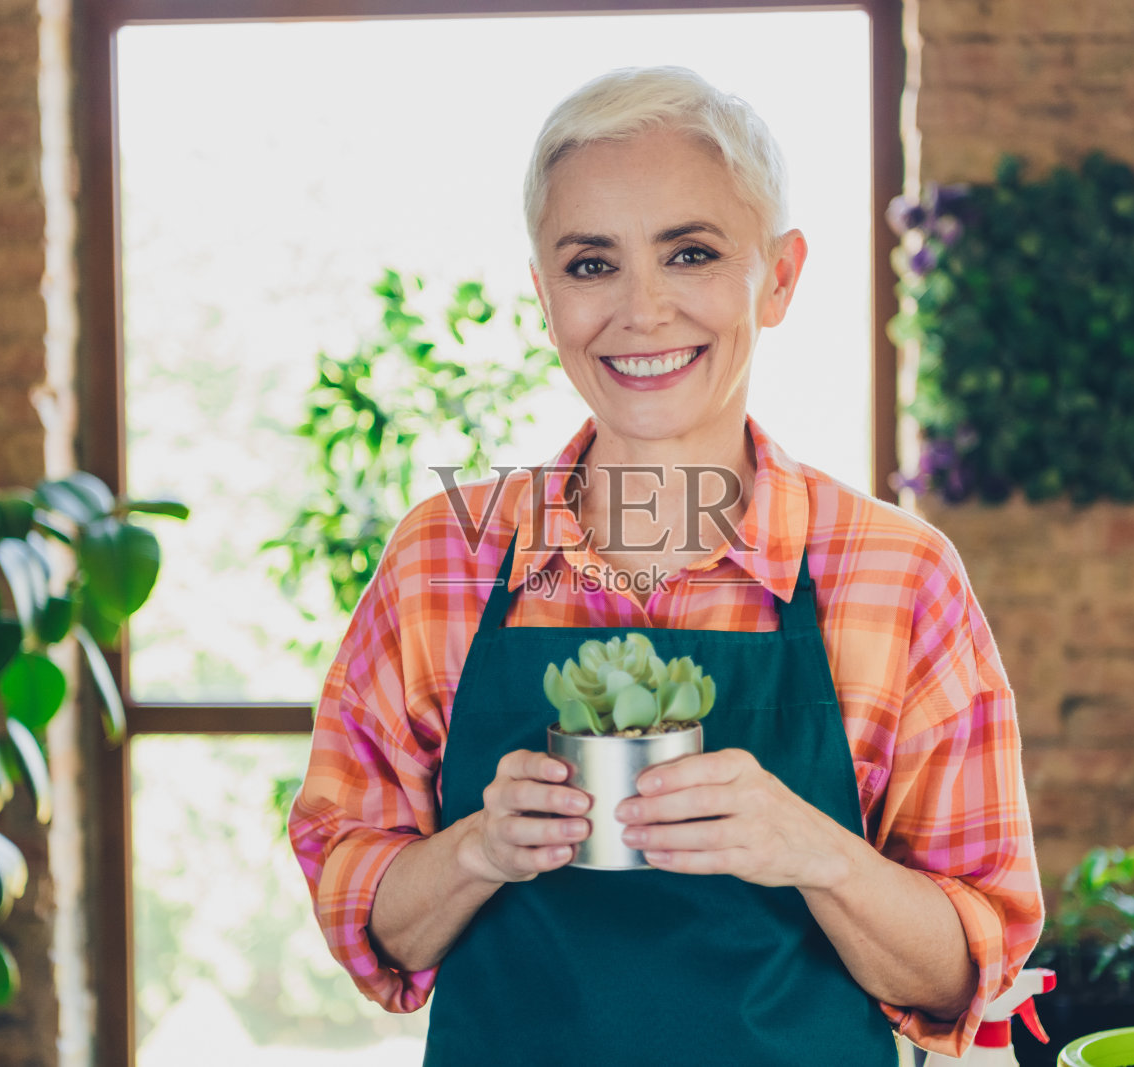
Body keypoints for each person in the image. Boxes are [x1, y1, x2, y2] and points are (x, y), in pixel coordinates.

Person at [289, 66, 1042, 1065]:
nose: (641, 310)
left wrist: (817, 852)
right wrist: (476, 848)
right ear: (545, 296)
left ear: (779, 278)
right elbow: (363, 916)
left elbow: (967, 970)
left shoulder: (896, 578)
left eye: (691, 253)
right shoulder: (443, 560)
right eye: (590, 264)